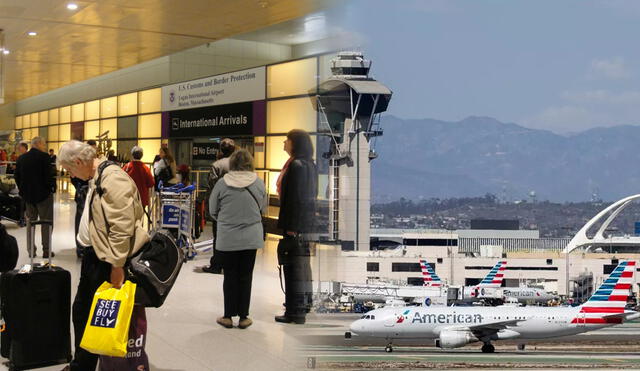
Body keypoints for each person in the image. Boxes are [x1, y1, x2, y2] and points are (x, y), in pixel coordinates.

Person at [57, 140, 149, 371]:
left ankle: (86, 365)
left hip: (106, 260)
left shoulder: (112, 178)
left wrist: (116, 265)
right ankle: (83, 363)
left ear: (78, 162)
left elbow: (122, 225)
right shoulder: (98, 176)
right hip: (95, 256)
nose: (71, 174)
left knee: (91, 313)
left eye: (70, 169)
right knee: (83, 311)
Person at [209, 149, 266, 329]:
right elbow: (263, 209)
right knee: (246, 275)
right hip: (251, 237)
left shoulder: (222, 183)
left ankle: (227, 316)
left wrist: (226, 221)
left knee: (230, 275)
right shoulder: (259, 183)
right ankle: (243, 317)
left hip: (228, 238)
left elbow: (212, 210)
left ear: (232, 163)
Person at [274, 129, 317, 325]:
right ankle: (304, 302)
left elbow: (295, 199)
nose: (284, 143)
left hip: (296, 224)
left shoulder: (296, 166)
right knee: (302, 265)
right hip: (305, 224)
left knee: (292, 267)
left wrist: (292, 227)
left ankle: (294, 311)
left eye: (287, 140)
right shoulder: (310, 165)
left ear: (295, 143)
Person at [14, 137, 56, 258]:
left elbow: (17, 176)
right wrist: (51, 188)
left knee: (30, 223)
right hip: (44, 196)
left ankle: (31, 250)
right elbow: (49, 176)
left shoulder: (22, 158)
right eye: (44, 144)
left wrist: (23, 190)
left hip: (28, 197)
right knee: (46, 223)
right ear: (38, 144)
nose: (45, 147)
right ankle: (46, 250)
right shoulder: (45, 157)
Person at [202, 138, 235, 274]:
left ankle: (217, 264)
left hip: (221, 206)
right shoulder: (239, 164)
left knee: (219, 235)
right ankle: (231, 263)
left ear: (221, 150)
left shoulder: (217, 165)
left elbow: (213, 186)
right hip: (236, 205)